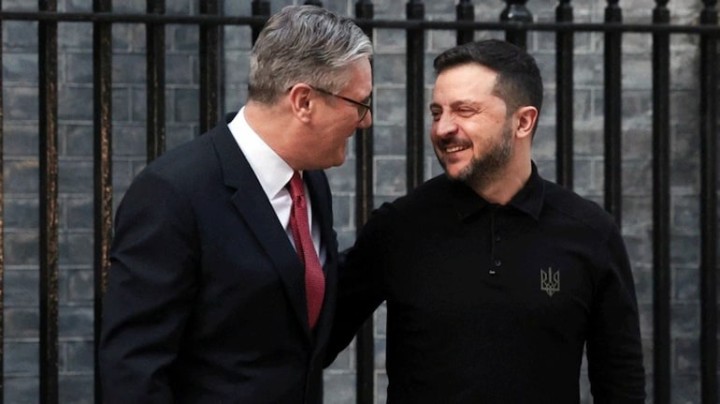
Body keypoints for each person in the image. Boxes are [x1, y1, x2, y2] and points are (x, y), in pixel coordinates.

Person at [326, 39, 645, 403]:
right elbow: (311, 342)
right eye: (437, 113)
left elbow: (621, 383)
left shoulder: (589, 232)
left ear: (523, 121)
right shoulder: (399, 228)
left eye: (464, 110)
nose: (443, 128)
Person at [99, 5, 372, 403]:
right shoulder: (173, 193)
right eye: (359, 103)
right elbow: (133, 369)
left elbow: (294, 331)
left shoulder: (310, 181)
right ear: (303, 101)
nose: (365, 121)